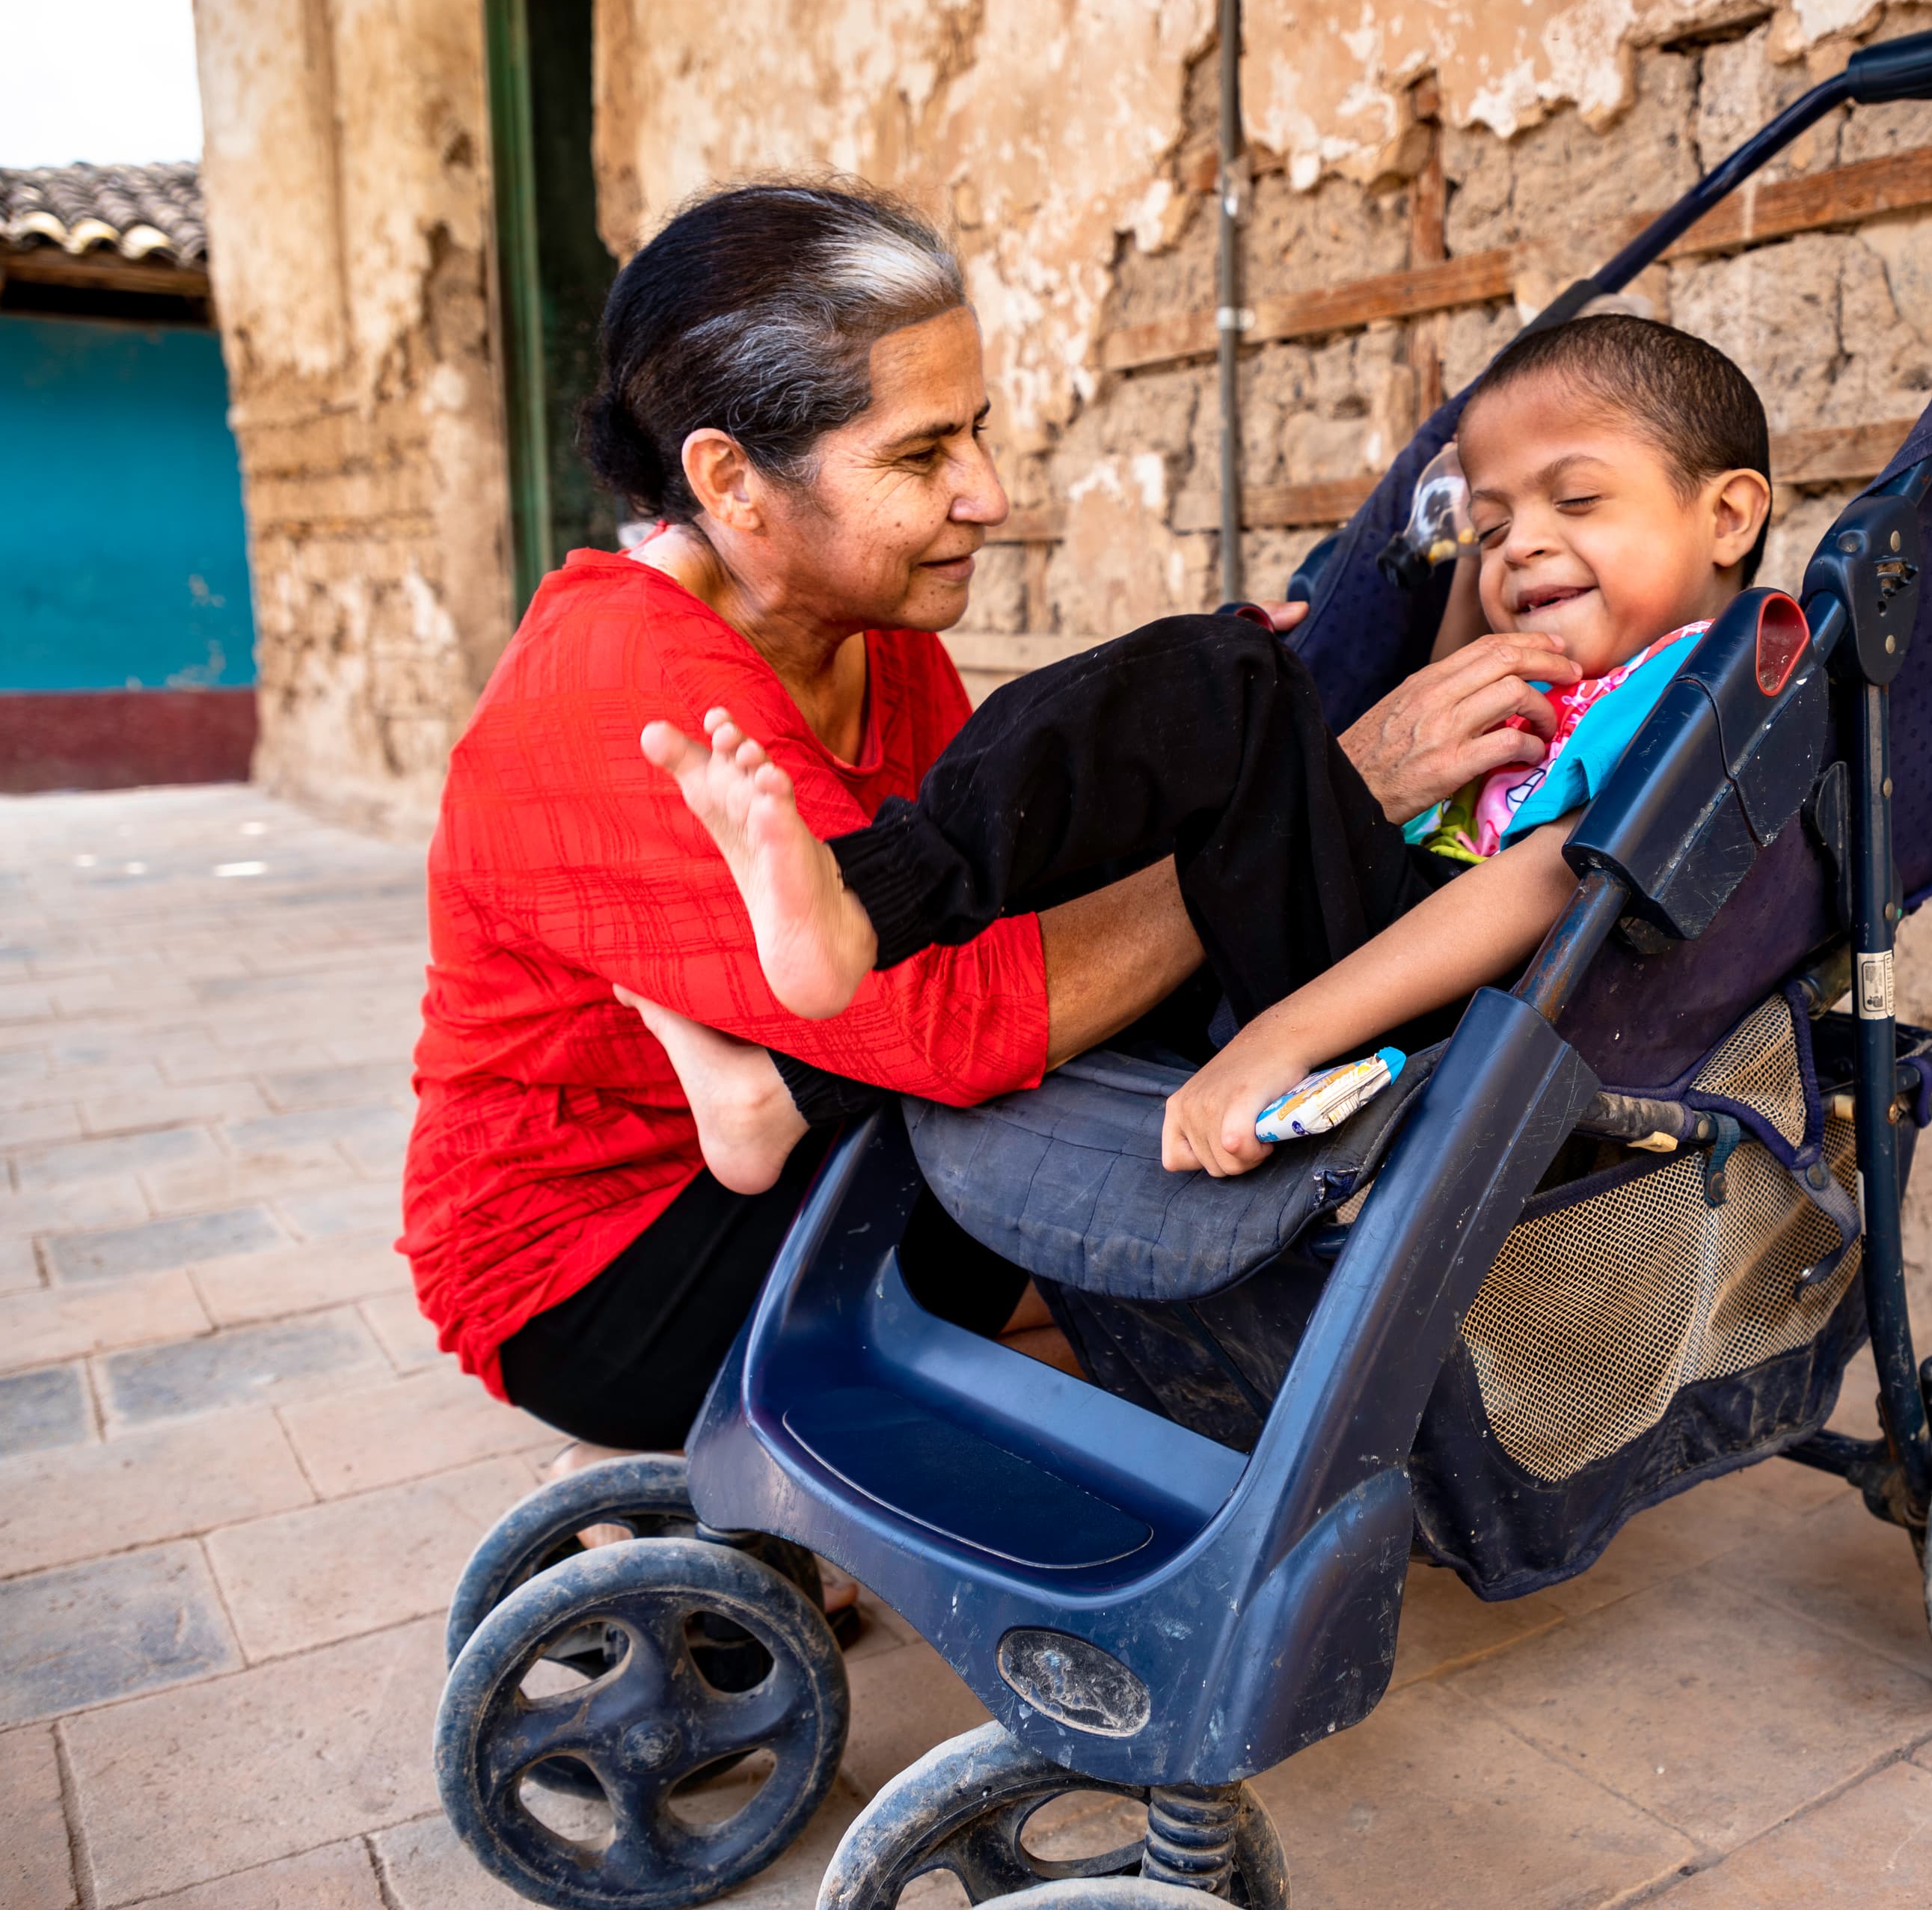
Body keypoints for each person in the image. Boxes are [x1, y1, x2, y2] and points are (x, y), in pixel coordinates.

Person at [401, 180, 1583, 1487]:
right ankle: (742, 1443)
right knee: (1165, 1251)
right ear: (731, 480)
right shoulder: (631, 702)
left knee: (1175, 1241)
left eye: (975, 431)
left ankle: (792, 1439)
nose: (988, 493)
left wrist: (1244, 781)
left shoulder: (871, 632)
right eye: (920, 458)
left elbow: (1006, 916)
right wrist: (1316, 794)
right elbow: (959, 1029)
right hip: (613, 1268)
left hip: (803, 1141)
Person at [644, 312, 1772, 1184]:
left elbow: (1537, 886)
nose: (1522, 543)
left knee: (1223, 687)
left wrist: (1276, 1041)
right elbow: (1434, 676)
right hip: (1388, 952)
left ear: (1728, 518)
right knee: (1170, 747)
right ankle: (798, 1062)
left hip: (1465, 1023)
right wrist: (1443, 581)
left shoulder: (1704, 683)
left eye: (1575, 500)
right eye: (1491, 525)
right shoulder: (1543, 649)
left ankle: (857, 912)